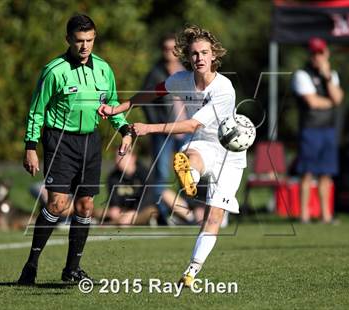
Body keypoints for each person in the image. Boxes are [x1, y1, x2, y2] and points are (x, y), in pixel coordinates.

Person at [99, 25, 246, 287]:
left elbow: (191, 125)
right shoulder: (181, 79)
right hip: (202, 145)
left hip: (229, 153)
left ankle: (191, 271)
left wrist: (148, 128)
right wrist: (118, 107)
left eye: (204, 53)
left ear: (214, 56)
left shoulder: (224, 88)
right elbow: (153, 92)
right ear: (188, 57)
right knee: (190, 155)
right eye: (194, 53)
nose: (199, 58)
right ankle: (189, 174)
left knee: (213, 217)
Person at [18, 14, 132, 285]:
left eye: (89, 40)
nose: (84, 46)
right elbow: (37, 111)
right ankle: (31, 265)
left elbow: (112, 104)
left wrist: (125, 130)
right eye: (79, 40)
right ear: (68, 39)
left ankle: (72, 269)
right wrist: (30, 146)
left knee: (85, 205)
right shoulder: (54, 70)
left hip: (91, 142)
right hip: (60, 140)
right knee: (56, 204)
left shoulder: (104, 69)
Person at [292, 37, 343, 224]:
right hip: (310, 129)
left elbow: (338, 97)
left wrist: (327, 76)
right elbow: (312, 102)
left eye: (321, 53)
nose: (318, 57)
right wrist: (330, 102)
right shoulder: (302, 74)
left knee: (326, 174)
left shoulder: (332, 75)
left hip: (328, 129)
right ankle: (304, 215)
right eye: (314, 53)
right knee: (307, 173)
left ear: (326, 53)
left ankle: (326, 215)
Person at [141, 34, 186, 224]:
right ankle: (163, 215)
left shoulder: (187, 72)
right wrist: (156, 126)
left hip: (186, 131)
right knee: (161, 174)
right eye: (166, 48)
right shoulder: (155, 73)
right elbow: (145, 101)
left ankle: (188, 213)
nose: (169, 52)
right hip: (164, 132)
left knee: (188, 174)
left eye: (173, 48)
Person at [92, 151, 158, 226]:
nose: (118, 160)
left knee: (151, 211)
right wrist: (114, 208)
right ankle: (120, 222)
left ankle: (109, 224)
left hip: (140, 211)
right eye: (116, 157)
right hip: (122, 211)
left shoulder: (145, 174)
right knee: (92, 211)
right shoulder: (112, 177)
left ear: (133, 157)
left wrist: (135, 211)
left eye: (121, 156)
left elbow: (148, 197)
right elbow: (114, 200)